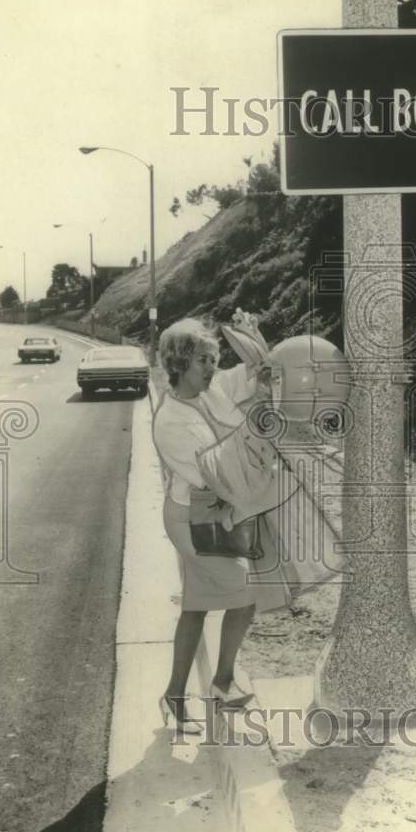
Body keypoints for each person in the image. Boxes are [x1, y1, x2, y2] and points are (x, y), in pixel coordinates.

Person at [152, 312, 272, 734]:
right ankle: (221, 684)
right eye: (202, 361)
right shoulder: (171, 421)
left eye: (210, 359)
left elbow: (253, 373)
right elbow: (215, 474)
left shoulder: (205, 392)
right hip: (192, 518)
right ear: (179, 364)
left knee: (197, 608)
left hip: (210, 513)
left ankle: (175, 695)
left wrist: (252, 335)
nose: (210, 368)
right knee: (245, 593)